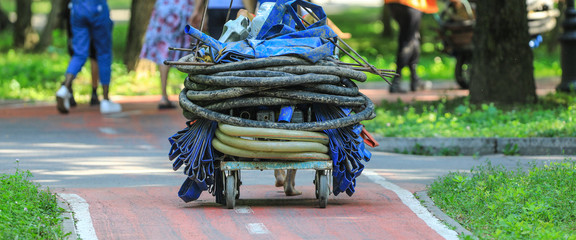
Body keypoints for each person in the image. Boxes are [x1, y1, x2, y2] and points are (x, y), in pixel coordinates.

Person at [56, 0, 121, 114]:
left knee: (79, 53)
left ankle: (65, 88)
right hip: (97, 8)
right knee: (103, 53)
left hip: (78, 9)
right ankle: (105, 99)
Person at [140, 0, 196, 109]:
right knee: (189, 50)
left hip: (163, 7)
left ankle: (164, 96)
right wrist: (197, 9)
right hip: (182, 7)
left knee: (163, 49)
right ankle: (192, 94)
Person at [385, 0, 438, 93]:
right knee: (409, 40)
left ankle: (414, 79)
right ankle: (396, 82)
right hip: (412, 3)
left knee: (410, 37)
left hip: (393, 3)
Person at [63, 0, 100, 108]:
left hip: (74, 10)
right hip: (93, 11)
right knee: (94, 54)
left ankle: (66, 88)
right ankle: (94, 93)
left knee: (76, 54)